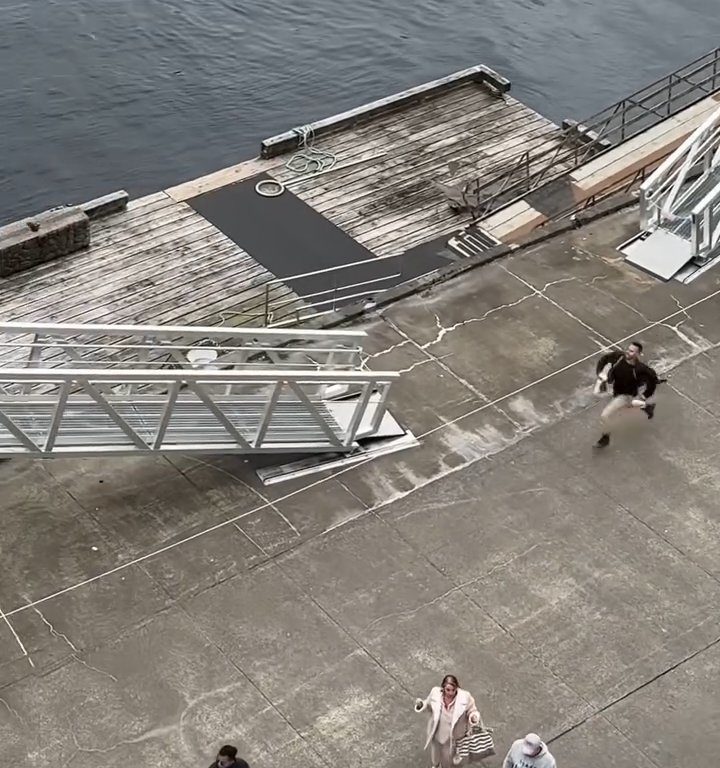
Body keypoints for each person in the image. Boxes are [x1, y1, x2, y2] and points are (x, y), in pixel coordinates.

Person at [593, 340, 658, 448]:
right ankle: (647, 407)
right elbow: (604, 359)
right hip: (615, 390)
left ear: (638, 354)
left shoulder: (640, 369)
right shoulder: (619, 357)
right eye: (628, 350)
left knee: (605, 415)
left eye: (632, 351)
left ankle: (605, 438)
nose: (628, 352)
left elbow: (653, 380)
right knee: (626, 406)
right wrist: (600, 373)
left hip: (626, 395)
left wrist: (646, 395)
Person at [414, 674, 482, 768]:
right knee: (435, 756)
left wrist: (473, 717)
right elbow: (428, 705)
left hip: (452, 737)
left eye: (453, 690)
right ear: (443, 688)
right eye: (448, 690)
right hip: (437, 733)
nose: (451, 693)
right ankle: (436, 765)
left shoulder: (465, 698)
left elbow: (472, 710)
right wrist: (421, 705)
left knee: (448, 761)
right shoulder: (435, 694)